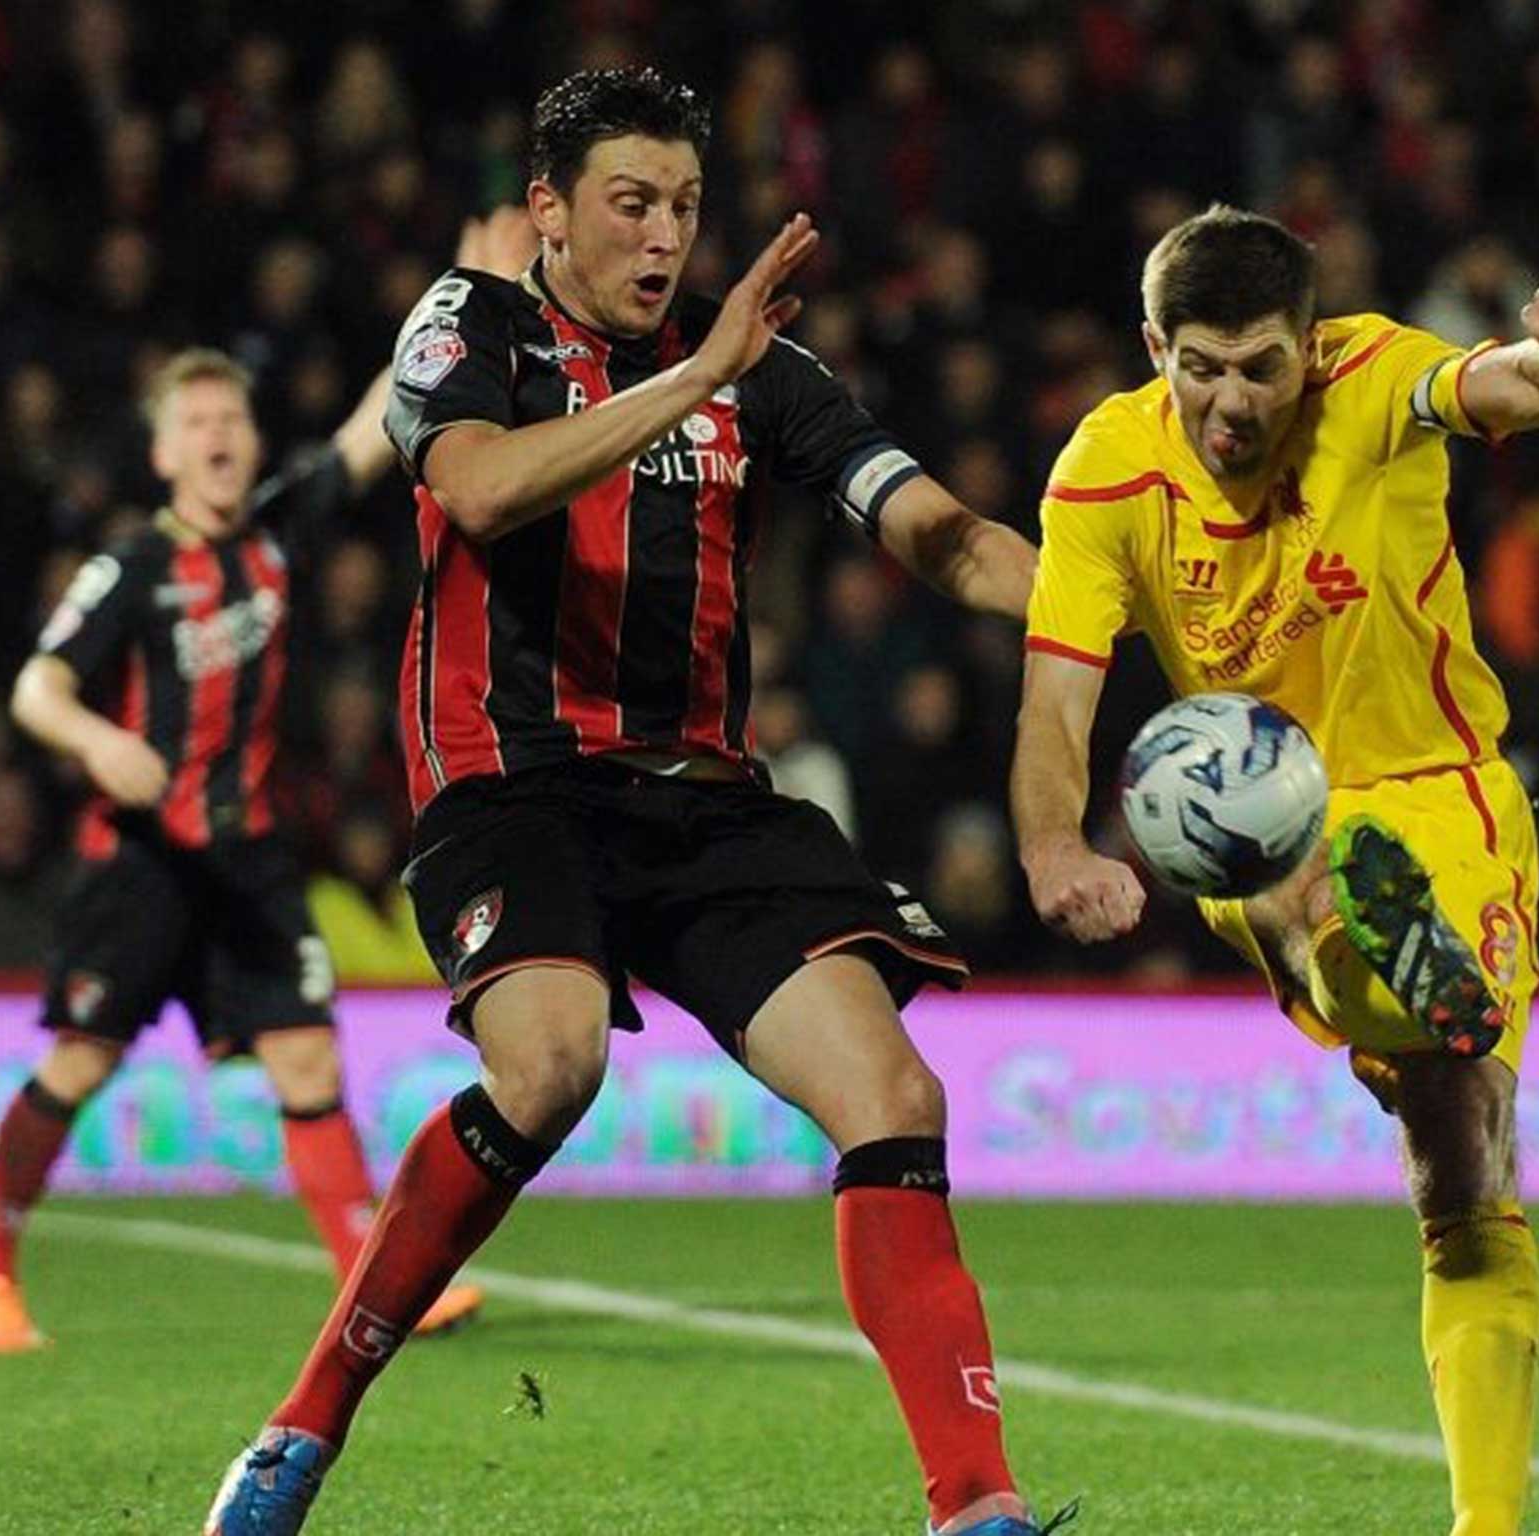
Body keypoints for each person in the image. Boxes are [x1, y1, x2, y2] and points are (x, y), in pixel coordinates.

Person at [206, 68, 1071, 1536]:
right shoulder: (468, 326)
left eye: (682, 205)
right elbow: (478, 493)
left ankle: (975, 1511)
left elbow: (941, 533)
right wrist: (697, 373)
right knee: (546, 1068)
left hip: (707, 807)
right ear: (548, 208)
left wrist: (1131, 620)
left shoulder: (758, 371)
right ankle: (300, 1432)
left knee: (895, 1097)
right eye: (630, 203)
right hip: (511, 785)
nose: (664, 236)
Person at [1010, 205, 1539, 1536]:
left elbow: (1511, 383)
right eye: (1199, 366)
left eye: (1260, 365)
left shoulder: (1374, 377)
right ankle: (1372, 948)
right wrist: (1050, 843)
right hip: (1257, 804)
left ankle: (1488, 1527)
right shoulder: (1106, 471)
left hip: (1453, 789)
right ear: (1152, 347)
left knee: (1459, 1161)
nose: (1231, 401)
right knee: (1302, 869)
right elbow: (1058, 698)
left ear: (1311, 345)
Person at [0, 341, 487, 1353]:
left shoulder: (274, 533)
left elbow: (371, 429)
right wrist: (102, 740)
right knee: (80, 1064)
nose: (218, 436)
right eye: (194, 423)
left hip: (248, 862)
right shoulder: (132, 566)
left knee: (306, 1057)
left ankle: (376, 1288)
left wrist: (458, 305)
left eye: (230, 419)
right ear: (161, 456)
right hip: (144, 861)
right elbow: (36, 688)